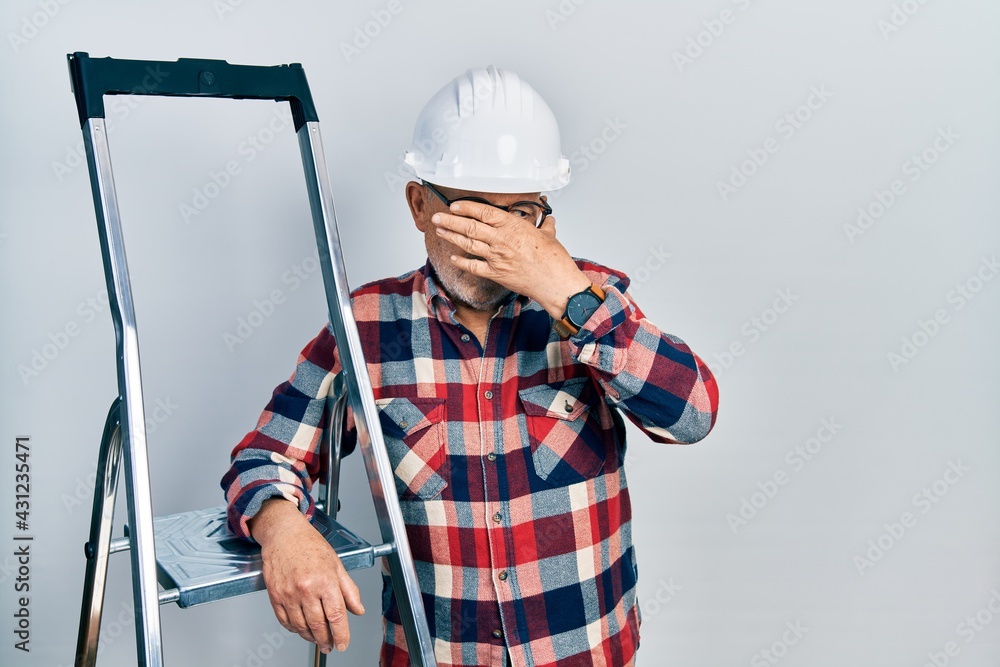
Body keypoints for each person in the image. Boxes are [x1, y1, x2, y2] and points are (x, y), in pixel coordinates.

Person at [221, 65, 720, 667]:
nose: (495, 245)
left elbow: (692, 415)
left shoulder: (591, 302)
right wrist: (283, 529)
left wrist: (570, 297)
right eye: (473, 214)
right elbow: (266, 456)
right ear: (419, 205)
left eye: (518, 216)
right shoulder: (367, 327)